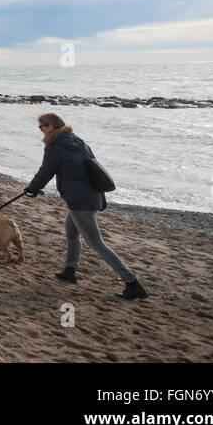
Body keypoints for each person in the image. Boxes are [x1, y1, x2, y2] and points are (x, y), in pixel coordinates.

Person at [24, 113, 148, 300]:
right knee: (71, 232)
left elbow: (46, 172)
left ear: (50, 126)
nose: (40, 130)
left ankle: (132, 283)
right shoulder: (76, 141)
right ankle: (70, 270)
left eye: (41, 127)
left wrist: (32, 188)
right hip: (89, 197)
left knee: (96, 243)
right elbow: (95, 169)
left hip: (80, 202)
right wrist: (101, 198)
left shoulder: (55, 147)